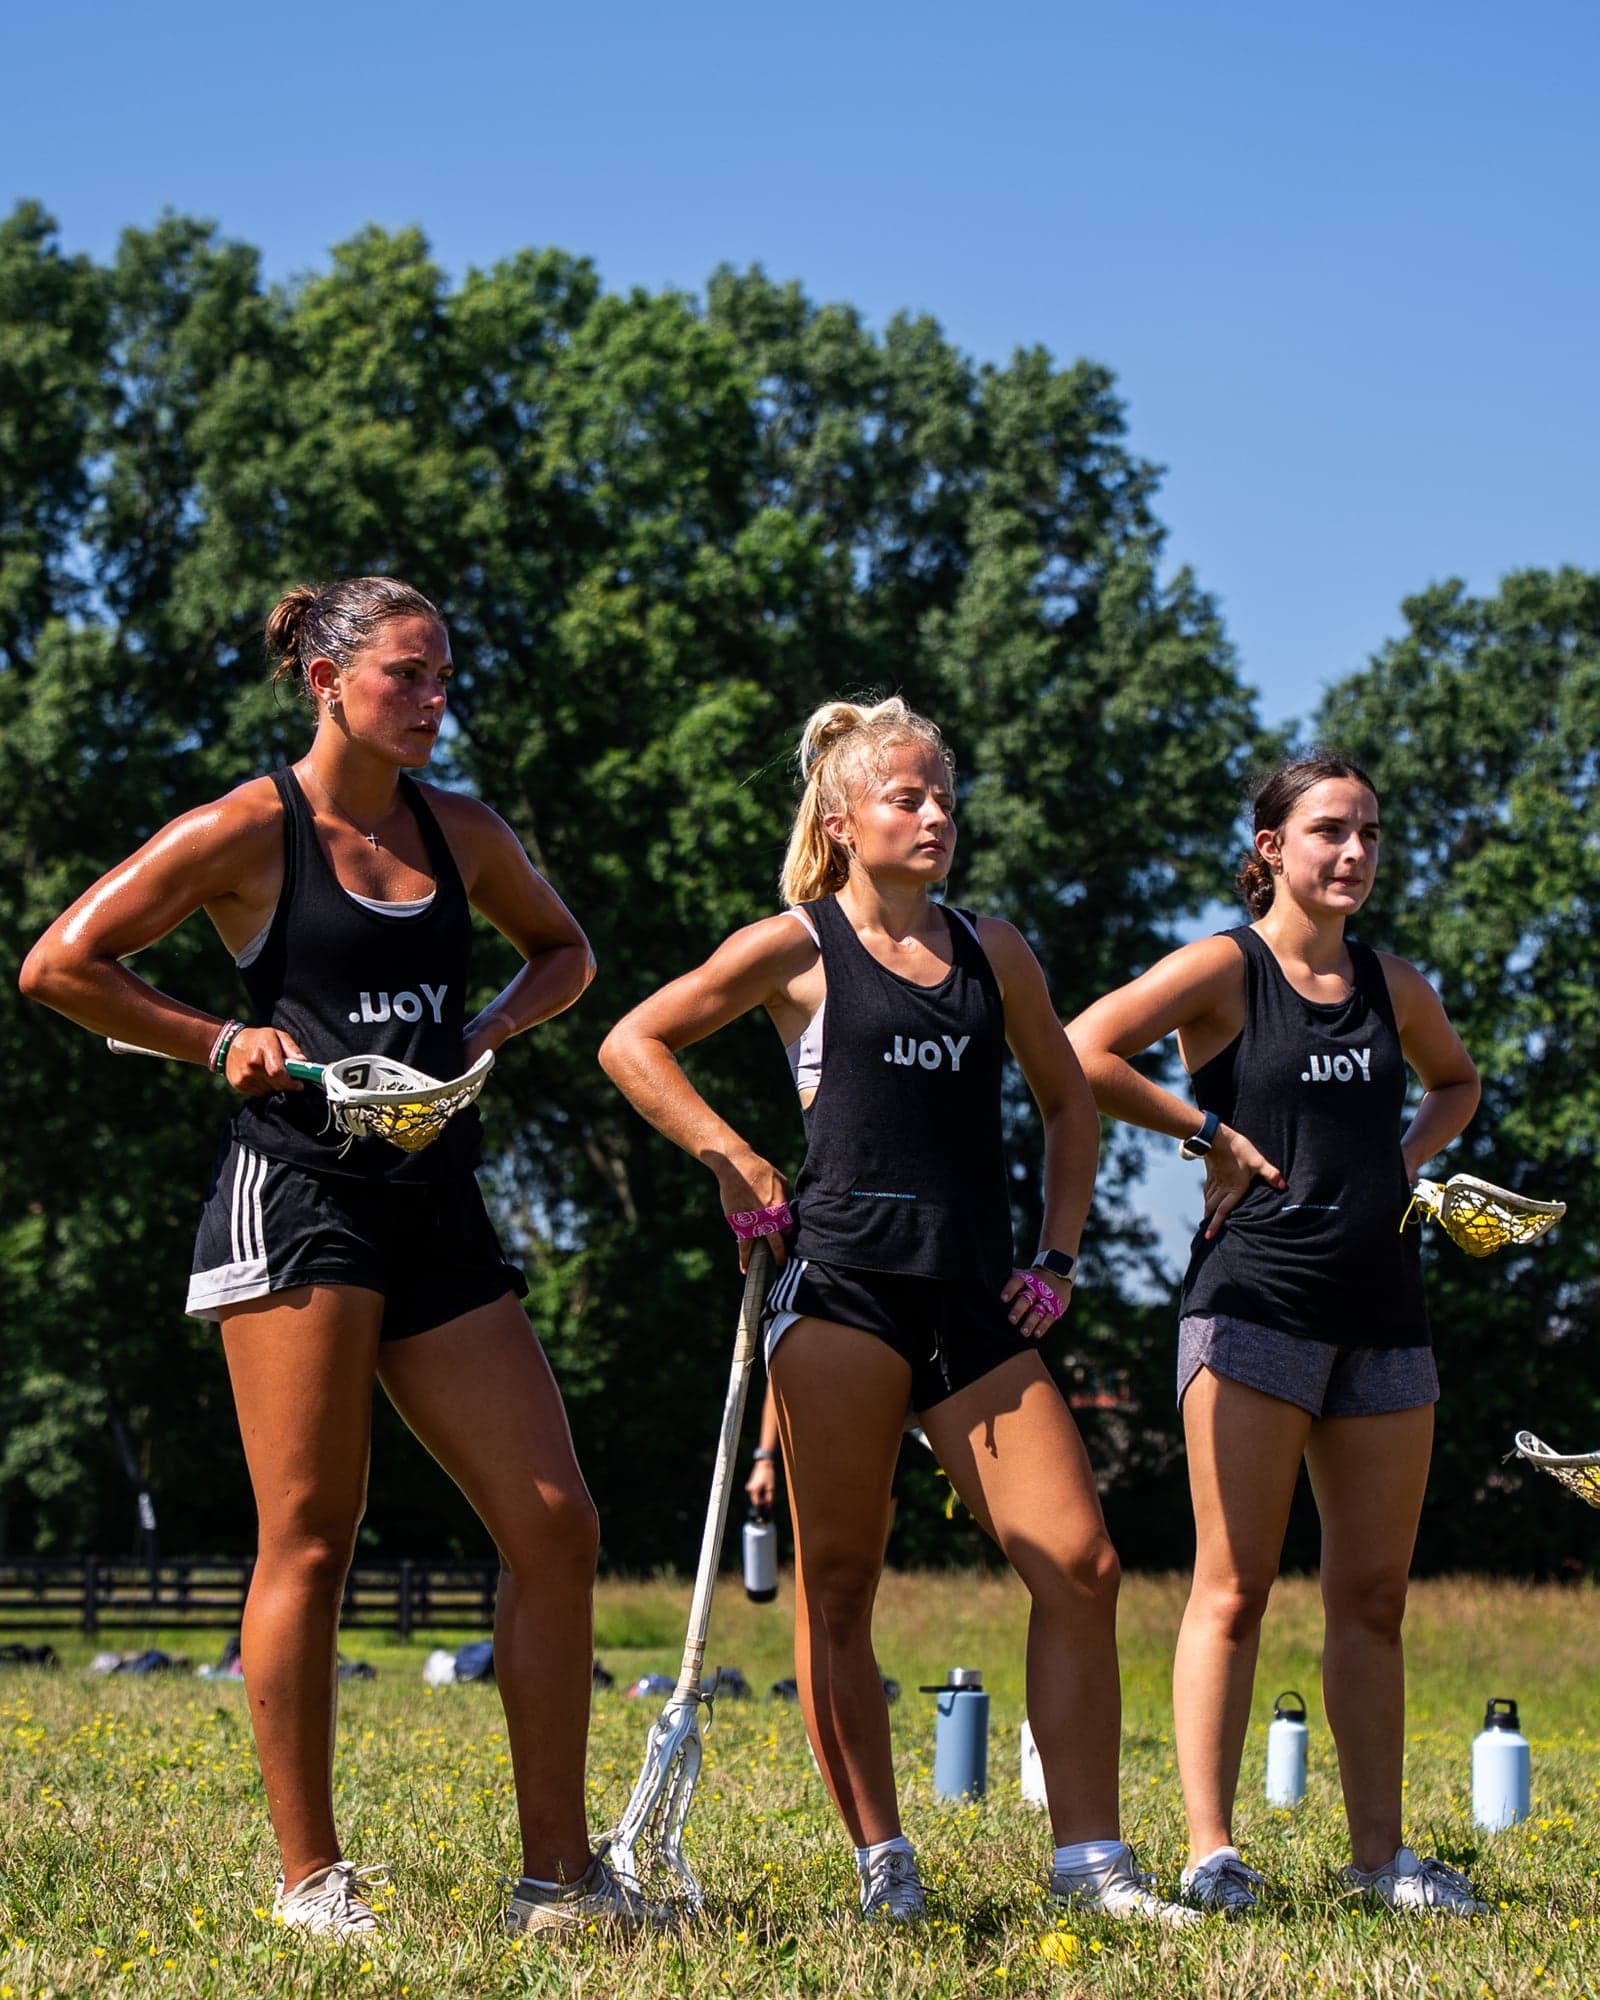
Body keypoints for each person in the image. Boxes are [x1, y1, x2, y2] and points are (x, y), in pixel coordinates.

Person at [20, 576, 647, 1940]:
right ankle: (313, 1885)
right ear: (327, 682)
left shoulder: (462, 829)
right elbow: (60, 964)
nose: (435, 699)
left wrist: (479, 1035)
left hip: (434, 1199)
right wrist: (211, 1041)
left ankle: (561, 1884)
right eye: (408, 677)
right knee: (314, 1532)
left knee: (555, 1524)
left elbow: (567, 955)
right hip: (295, 1195)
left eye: (442, 676)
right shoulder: (251, 827)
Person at [600, 696, 1197, 1926]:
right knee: (841, 1586)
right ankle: (884, 1853)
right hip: (841, 1293)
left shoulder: (997, 951)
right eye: (908, 798)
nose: (935, 817)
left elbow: (1069, 1101)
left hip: (972, 1302)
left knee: (1081, 1564)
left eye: (945, 799)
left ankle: (1092, 1861)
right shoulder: (795, 946)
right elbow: (634, 1042)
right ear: (841, 818)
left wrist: (1061, 1252)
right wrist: (733, 1158)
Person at [1067, 752, 1486, 1918]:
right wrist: (1203, 1127)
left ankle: (1377, 1860)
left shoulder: (1392, 984)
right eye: (1326, 832)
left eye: (1367, 832)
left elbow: (1453, 1084)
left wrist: (1397, 1163)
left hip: (1383, 1319)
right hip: (1252, 1306)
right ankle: (1211, 1851)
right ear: (1270, 849)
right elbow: (1083, 1046)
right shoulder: (1224, 969)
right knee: (1235, 1585)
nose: (1351, 852)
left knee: (1371, 1596)